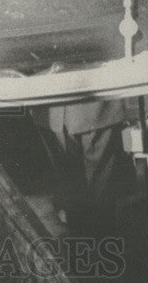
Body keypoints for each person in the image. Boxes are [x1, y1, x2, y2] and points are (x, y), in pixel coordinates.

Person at [37, 98, 138, 230]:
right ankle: (85, 239)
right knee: (72, 189)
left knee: (98, 192)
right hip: (53, 110)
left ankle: (94, 239)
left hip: (92, 108)